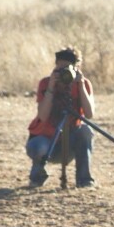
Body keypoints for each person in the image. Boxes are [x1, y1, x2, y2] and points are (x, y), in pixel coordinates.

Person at [25, 47, 96, 188]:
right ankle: (37, 177)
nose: (64, 73)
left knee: (85, 131)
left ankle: (84, 180)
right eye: (60, 68)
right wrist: (51, 86)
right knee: (39, 148)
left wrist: (80, 85)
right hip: (45, 140)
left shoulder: (83, 83)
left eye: (67, 69)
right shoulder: (46, 83)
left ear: (76, 68)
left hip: (70, 142)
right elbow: (43, 116)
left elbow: (89, 114)